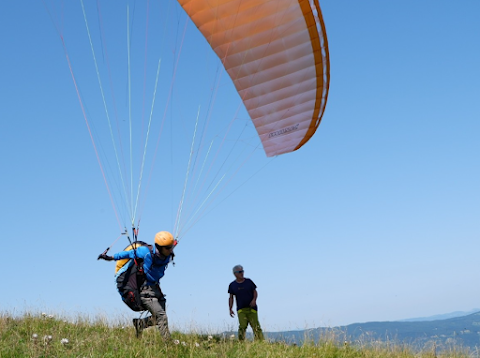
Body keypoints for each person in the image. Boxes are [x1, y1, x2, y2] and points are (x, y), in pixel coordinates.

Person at [98, 231, 175, 339]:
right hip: (145, 290)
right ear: (160, 247)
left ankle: (140, 324)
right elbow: (128, 254)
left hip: (156, 288)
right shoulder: (146, 252)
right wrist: (111, 257)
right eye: (168, 248)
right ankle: (169, 344)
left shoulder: (168, 251)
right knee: (161, 316)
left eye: (171, 247)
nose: (171, 250)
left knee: (158, 317)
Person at [228, 265, 264, 341]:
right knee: (242, 326)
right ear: (235, 274)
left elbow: (255, 291)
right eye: (240, 272)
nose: (242, 273)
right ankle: (241, 342)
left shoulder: (249, 282)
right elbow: (231, 297)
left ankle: (260, 342)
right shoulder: (232, 285)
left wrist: (254, 300)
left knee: (256, 326)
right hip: (241, 309)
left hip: (252, 308)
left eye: (242, 271)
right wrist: (230, 309)